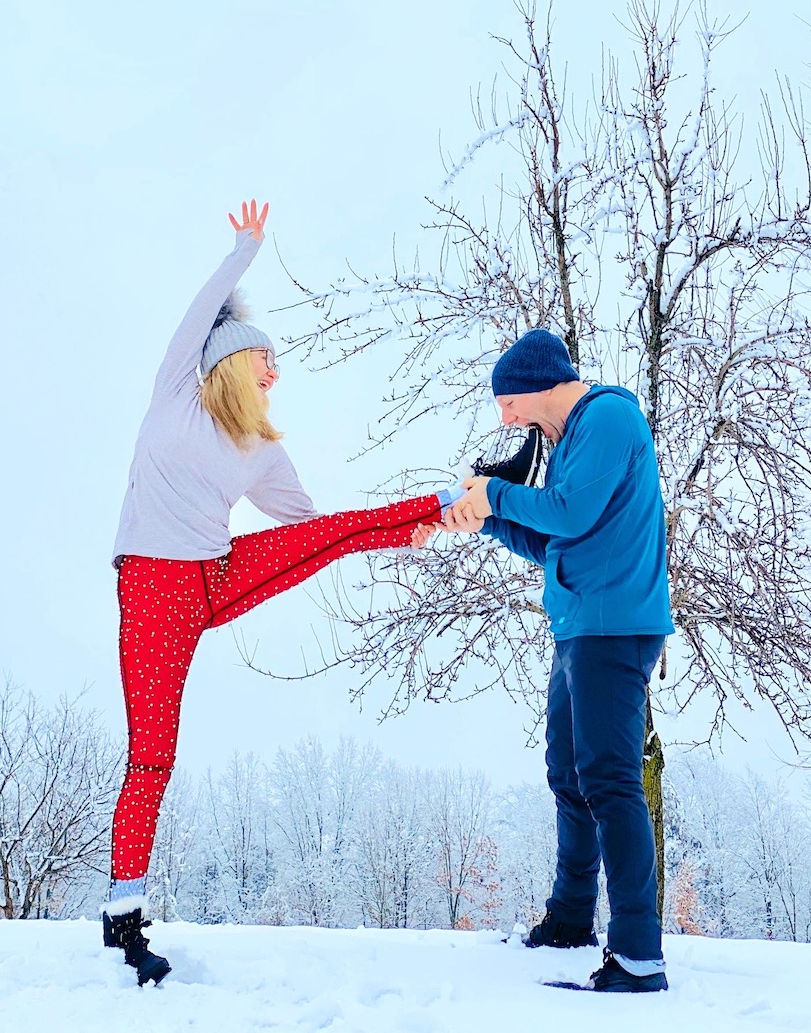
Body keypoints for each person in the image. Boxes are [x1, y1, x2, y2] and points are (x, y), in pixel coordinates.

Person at [103, 200, 466, 986]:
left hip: (217, 576)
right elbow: (199, 311)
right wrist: (244, 251)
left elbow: (310, 527)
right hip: (154, 589)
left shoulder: (258, 448)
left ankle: (435, 509)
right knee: (153, 755)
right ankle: (123, 913)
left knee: (327, 536)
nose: (276, 370)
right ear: (231, 361)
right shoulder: (174, 392)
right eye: (265, 359)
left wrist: (390, 537)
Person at [441, 328, 674, 993]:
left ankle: (637, 954)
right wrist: (482, 519)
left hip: (613, 627)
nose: (506, 418)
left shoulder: (606, 415)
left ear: (538, 385)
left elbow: (568, 514)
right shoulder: (571, 441)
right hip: (580, 625)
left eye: (507, 403)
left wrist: (493, 493)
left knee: (608, 780)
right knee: (568, 774)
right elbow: (555, 543)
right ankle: (571, 918)